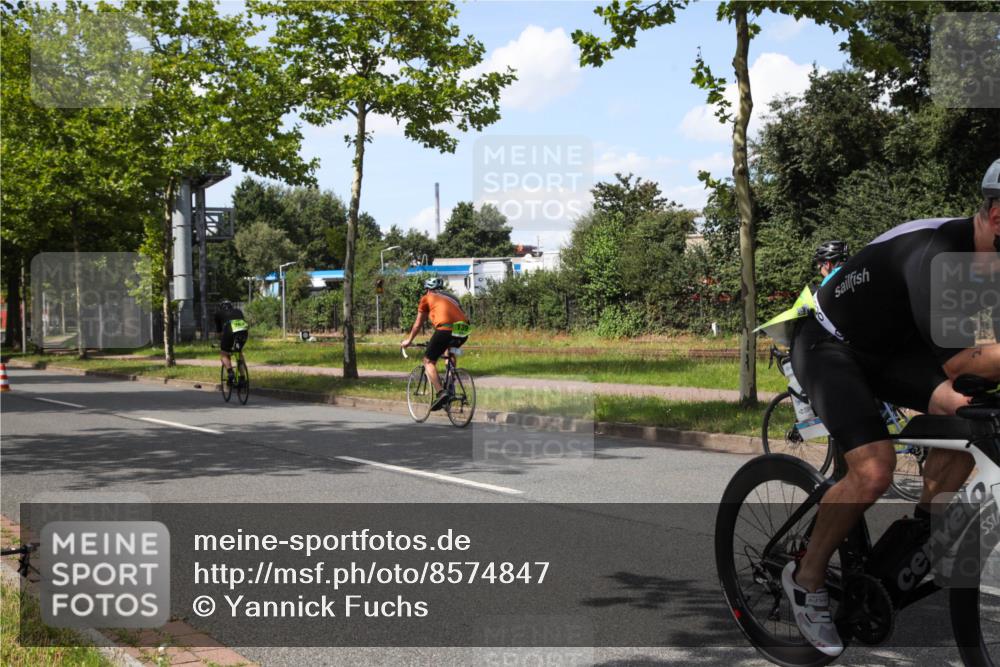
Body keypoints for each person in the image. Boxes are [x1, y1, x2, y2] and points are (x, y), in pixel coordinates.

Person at [783, 159, 1000, 656]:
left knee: (970, 413)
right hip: (830, 345)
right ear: (995, 216)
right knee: (875, 469)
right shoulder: (939, 254)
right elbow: (965, 357)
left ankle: (921, 531)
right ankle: (806, 576)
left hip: (892, 352)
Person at [400, 277, 471, 411]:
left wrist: (408, 341)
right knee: (449, 350)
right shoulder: (452, 298)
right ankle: (450, 382)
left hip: (445, 329)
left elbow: (417, 325)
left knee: (428, 361)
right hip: (465, 329)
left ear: (427, 289)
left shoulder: (426, 298)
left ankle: (441, 393)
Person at [214, 300, 248, 386]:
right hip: (243, 330)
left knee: (224, 354)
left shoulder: (218, 313)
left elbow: (219, 333)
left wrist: (221, 342)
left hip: (230, 329)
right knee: (238, 352)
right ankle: (243, 378)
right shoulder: (238, 311)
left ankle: (230, 374)